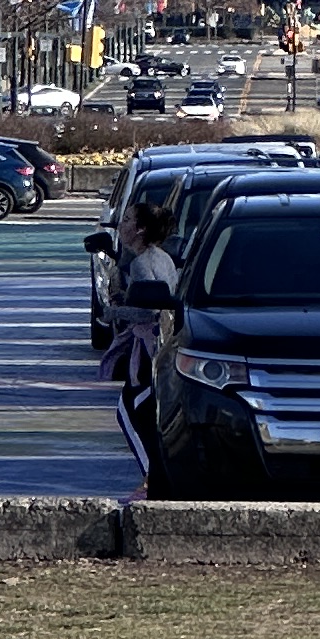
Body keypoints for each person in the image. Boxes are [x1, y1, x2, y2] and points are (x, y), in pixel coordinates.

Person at [99, 177, 185, 478]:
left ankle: (152, 477)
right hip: (160, 345)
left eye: (127, 220)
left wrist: (114, 312)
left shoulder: (143, 263)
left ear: (140, 230)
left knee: (131, 412)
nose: (121, 226)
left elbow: (150, 309)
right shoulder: (161, 258)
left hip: (151, 349)